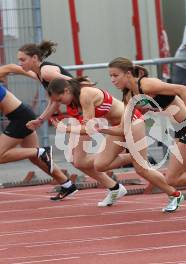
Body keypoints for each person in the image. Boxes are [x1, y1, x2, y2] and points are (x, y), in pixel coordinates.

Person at [106, 57, 186, 219]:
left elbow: (185, 90)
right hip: (179, 130)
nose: (112, 80)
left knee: (172, 178)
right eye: (110, 76)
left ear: (127, 74)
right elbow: (123, 128)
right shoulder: (129, 97)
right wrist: (100, 129)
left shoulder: (146, 84)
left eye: (115, 75)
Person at [47, 77, 185, 211]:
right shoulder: (78, 96)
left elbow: (87, 130)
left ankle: (175, 195)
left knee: (141, 170)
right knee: (100, 164)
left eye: (60, 100)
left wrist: (66, 129)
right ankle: (135, 157)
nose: (62, 104)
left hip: (132, 123)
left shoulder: (85, 94)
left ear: (66, 91)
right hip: (117, 127)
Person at [16, 40, 125, 205]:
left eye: (22, 59)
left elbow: (70, 82)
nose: (20, 63)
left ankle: (127, 159)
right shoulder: (40, 73)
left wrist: (86, 89)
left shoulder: (46, 71)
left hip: (85, 108)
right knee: (78, 161)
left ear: (35, 58)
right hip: (80, 109)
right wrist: (40, 120)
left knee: (81, 160)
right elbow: (56, 100)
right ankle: (115, 187)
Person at [0, 64, 77, 200]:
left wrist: (33, 75)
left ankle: (41, 151)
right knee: (35, 158)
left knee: (2, 155)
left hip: (21, 118)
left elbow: (10, 67)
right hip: (21, 116)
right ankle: (67, 184)